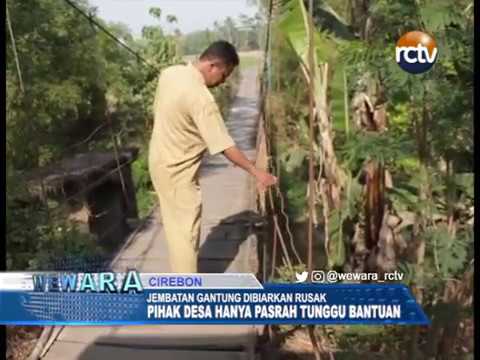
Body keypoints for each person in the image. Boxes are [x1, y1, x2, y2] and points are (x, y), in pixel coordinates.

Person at [148, 40, 277, 273]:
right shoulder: (202, 99)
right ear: (213, 65)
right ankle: (186, 293)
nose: (223, 81)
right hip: (178, 174)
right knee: (185, 236)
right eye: (224, 75)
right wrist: (257, 172)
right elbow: (225, 146)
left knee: (175, 228)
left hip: (158, 160)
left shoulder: (170, 74)